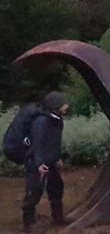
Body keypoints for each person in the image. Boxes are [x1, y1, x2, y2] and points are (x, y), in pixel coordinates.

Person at [22, 92, 70, 232]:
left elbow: (55, 142)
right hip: (38, 162)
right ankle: (29, 223)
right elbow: (37, 143)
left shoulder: (57, 119)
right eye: (63, 103)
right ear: (56, 105)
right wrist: (39, 163)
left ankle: (57, 218)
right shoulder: (41, 121)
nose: (66, 106)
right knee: (35, 190)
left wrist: (58, 157)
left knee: (56, 188)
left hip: (51, 161)